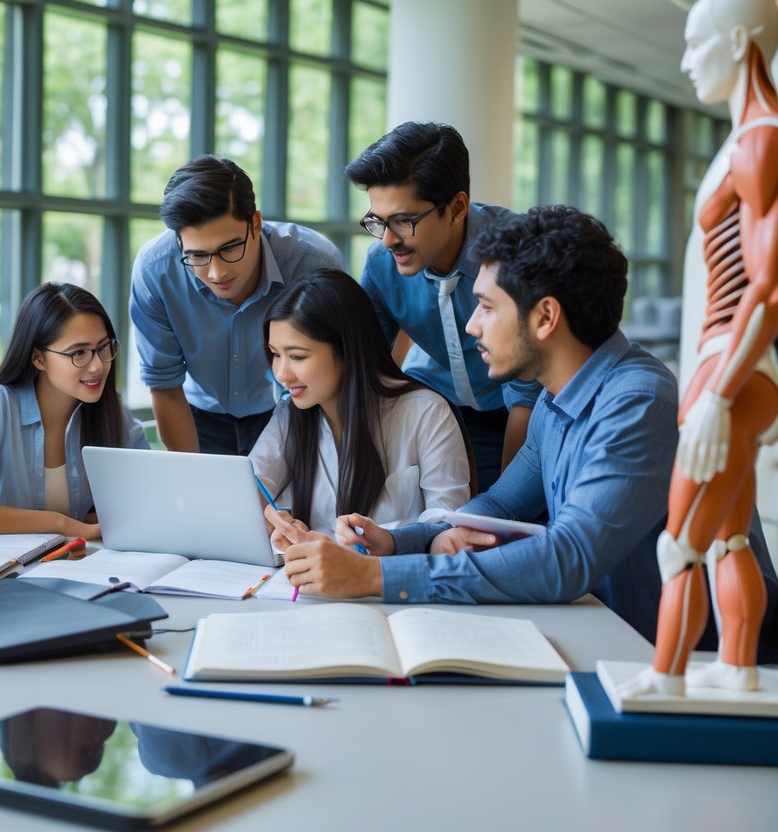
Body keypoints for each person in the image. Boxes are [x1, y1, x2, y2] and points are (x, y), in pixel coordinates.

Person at [270, 206, 686, 640]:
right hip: (602, 633)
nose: (471, 326)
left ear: (545, 317)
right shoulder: (555, 395)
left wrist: (374, 576)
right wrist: (401, 542)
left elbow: (568, 557)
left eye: (487, 307)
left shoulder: (636, 402)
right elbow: (499, 507)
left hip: (679, 660)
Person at [626, 0, 778, 697]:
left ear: (741, 40)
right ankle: (739, 670)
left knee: (677, 542)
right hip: (724, 363)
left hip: (732, 370)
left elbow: (768, 290)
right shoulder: (742, 140)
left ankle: (666, 679)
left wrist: (717, 395)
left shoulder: (760, 142)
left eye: (697, 45)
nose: (686, 62)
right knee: (728, 536)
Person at [346, 122, 540, 491]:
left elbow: (527, 399)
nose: (388, 240)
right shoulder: (381, 265)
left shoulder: (518, 254)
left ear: (457, 207)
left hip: (521, 415)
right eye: (378, 221)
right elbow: (364, 366)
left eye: (404, 221)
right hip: (437, 409)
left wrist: (507, 507)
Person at [130, 155, 344, 455]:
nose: (217, 273)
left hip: (293, 408)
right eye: (197, 256)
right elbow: (163, 383)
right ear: (179, 242)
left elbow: (334, 371)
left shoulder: (312, 263)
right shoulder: (155, 271)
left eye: (229, 248)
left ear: (255, 223)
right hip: (196, 415)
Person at [249, 269, 470, 534]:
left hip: (393, 573)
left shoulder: (426, 413)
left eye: (296, 357)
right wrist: (273, 522)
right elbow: (249, 489)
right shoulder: (289, 414)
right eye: (275, 354)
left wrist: (384, 544)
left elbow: (448, 528)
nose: (282, 374)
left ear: (346, 349)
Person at [0, 283, 147, 538]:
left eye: (103, 347)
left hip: (81, 567)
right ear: (38, 359)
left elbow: (152, 496)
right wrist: (60, 524)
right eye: (79, 353)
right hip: (4, 570)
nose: (97, 366)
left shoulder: (113, 413)